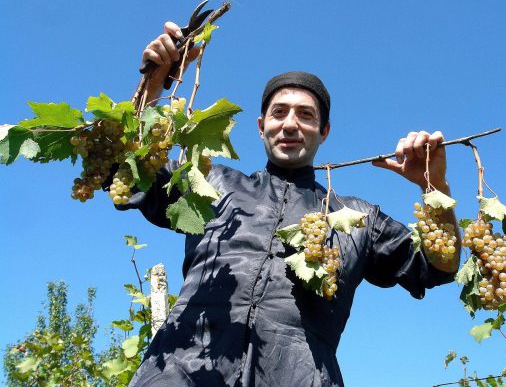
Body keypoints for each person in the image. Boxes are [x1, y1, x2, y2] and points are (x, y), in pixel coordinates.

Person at [125, 22, 460, 387]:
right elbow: (129, 170)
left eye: (305, 115)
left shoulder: (358, 218)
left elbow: (438, 265)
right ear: (260, 126)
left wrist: (433, 185)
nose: (289, 124)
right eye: (279, 112)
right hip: (179, 373)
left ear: (324, 131)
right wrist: (154, 83)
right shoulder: (208, 183)